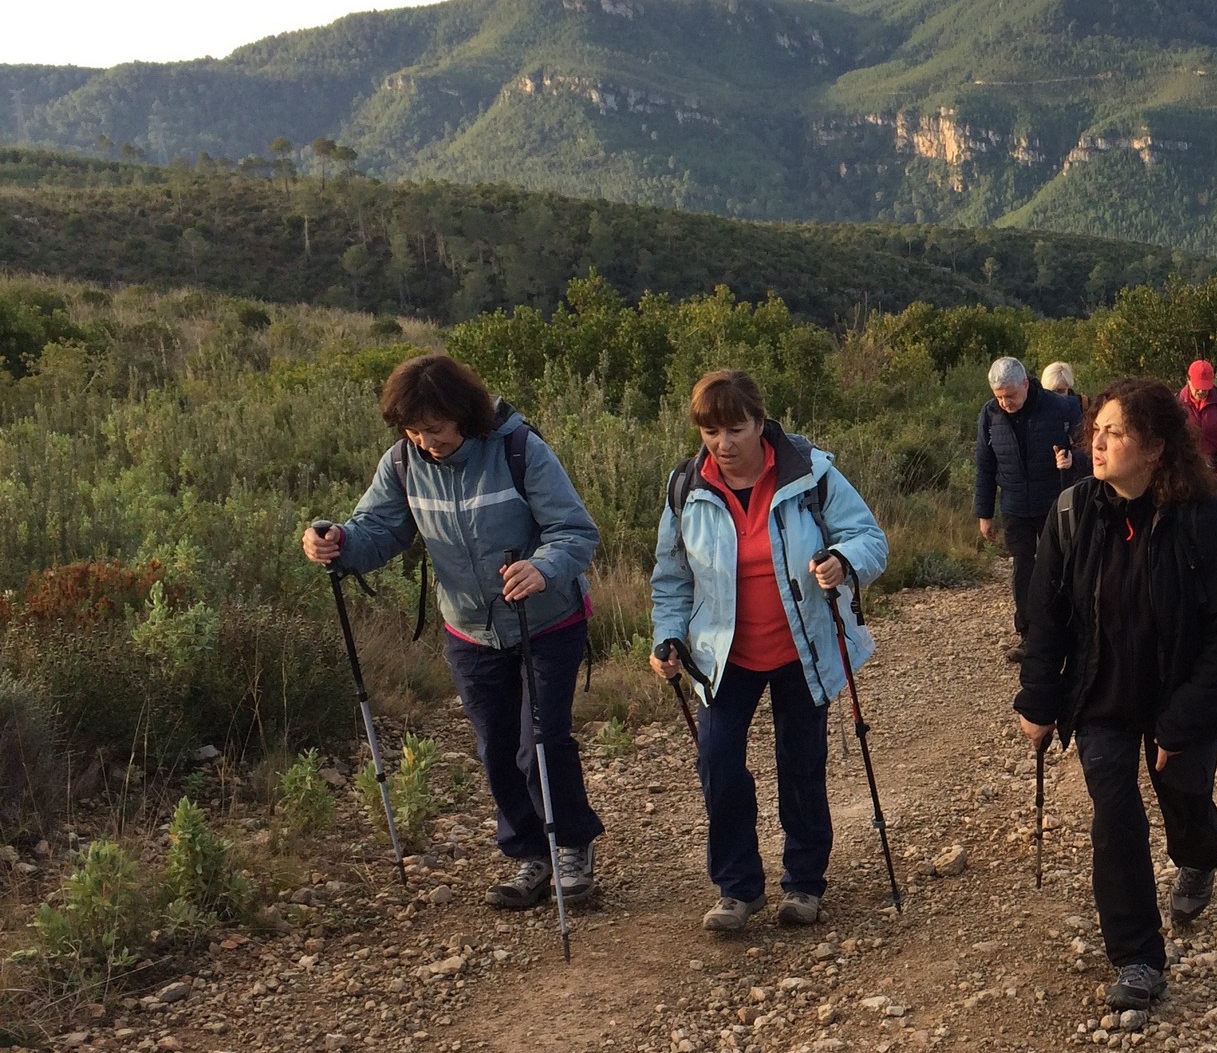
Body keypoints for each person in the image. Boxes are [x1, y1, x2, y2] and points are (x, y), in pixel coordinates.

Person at [302, 353, 605, 911]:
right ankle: (530, 854)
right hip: (469, 630)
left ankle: (570, 845)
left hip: (547, 621)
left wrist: (542, 567)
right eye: (414, 430)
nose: (426, 441)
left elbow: (575, 530)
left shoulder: (519, 450)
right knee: (496, 747)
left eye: (436, 428)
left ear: (465, 414)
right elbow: (378, 530)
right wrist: (337, 542)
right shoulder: (402, 463)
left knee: (539, 742)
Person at [1015, 378, 1217, 1011]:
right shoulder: (1072, 514)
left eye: (1115, 433)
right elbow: (1046, 617)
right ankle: (1138, 958)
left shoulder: (1202, 519)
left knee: (1185, 798)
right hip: (1102, 696)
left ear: (1154, 447)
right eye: (1096, 431)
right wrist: (1038, 699)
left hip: (1182, 695)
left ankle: (1199, 857)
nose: (1097, 444)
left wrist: (1185, 722)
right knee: (1115, 819)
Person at [649, 370, 889, 932]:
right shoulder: (686, 488)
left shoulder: (810, 474)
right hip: (723, 654)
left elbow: (870, 539)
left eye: (735, 429)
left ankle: (804, 883)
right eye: (711, 431)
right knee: (717, 762)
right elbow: (671, 578)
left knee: (801, 764)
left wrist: (843, 561)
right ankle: (737, 889)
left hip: (802, 648)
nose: (723, 444)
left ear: (760, 423)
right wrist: (668, 636)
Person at [975, 357, 1081, 664]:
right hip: (1015, 506)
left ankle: (1067, 631)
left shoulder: (1060, 407)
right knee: (1023, 569)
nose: (1005, 402)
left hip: (1053, 503)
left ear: (1025, 384)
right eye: (999, 396)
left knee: (1058, 567)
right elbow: (984, 465)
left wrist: (1073, 460)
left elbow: (1088, 447)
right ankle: (1029, 636)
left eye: (1010, 395)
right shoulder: (989, 414)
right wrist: (984, 514)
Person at [1178, 359, 1217, 489]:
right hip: (1187, 472)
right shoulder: (1176, 403)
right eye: (1198, 386)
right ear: (1188, 380)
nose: (1201, 391)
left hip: (1216, 472)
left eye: (1205, 387)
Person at [1042, 362, 1092, 483]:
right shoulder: (1037, 410)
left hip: (1074, 479)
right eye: (1051, 392)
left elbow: (1088, 447)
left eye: (1061, 391)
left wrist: (1073, 459)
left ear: (1068, 387)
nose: (1056, 397)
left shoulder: (1082, 407)